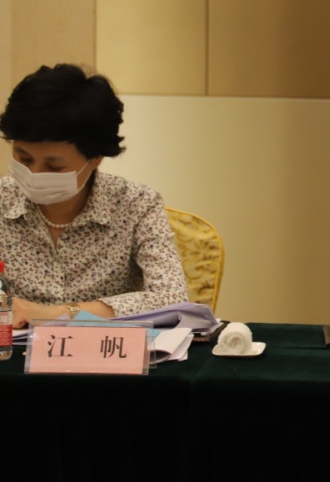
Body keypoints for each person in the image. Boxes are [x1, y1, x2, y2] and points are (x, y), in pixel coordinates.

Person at [0, 64, 189, 327]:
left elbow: (171, 298)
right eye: (24, 158)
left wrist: (57, 313)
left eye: (54, 166)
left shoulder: (137, 204)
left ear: (96, 158)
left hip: (109, 350)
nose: (34, 173)